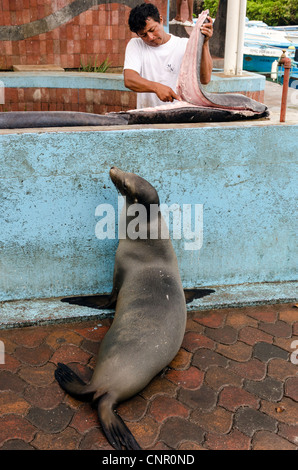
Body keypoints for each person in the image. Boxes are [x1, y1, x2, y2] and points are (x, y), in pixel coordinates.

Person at [123, 3, 213, 109]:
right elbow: (129, 79)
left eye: (152, 30)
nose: (150, 37)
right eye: (143, 35)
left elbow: (205, 79)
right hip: (148, 118)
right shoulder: (136, 45)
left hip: (180, 116)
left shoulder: (184, 45)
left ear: (161, 20)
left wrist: (204, 43)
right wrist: (156, 87)